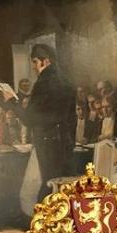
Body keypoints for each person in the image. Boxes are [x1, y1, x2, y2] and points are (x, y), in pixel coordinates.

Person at [5, 44, 76, 200]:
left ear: (46, 61)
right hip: (65, 141)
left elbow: (29, 119)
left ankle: (44, 221)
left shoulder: (43, 83)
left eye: (35, 62)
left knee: (48, 185)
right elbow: (72, 118)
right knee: (62, 187)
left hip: (48, 143)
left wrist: (12, 102)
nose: (33, 67)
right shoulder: (66, 81)